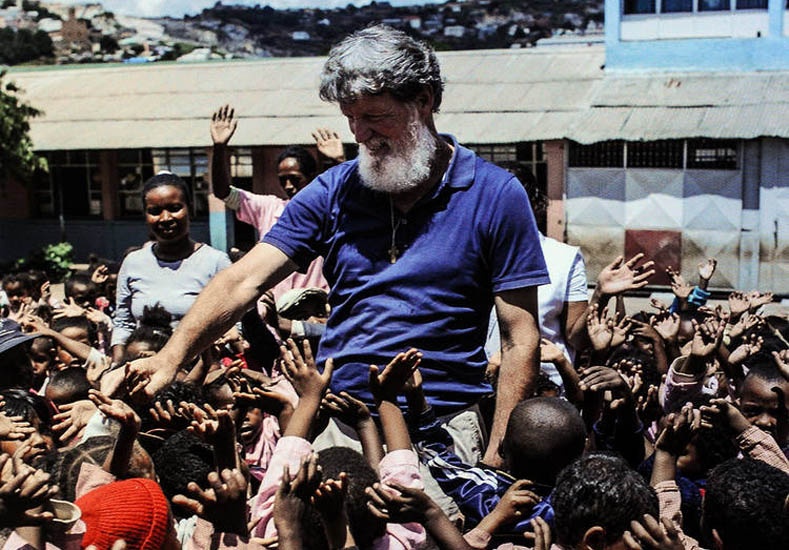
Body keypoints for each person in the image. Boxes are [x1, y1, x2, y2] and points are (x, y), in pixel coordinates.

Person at [130, 25, 549, 467]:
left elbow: (519, 338)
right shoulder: (334, 190)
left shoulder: (494, 193)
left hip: (443, 429)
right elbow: (242, 280)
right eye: (351, 118)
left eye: (374, 117)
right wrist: (170, 357)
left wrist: (498, 455)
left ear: (424, 101)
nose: (360, 133)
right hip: (340, 427)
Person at [210, 104, 331, 304]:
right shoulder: (269, 208)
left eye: (295, 178)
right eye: (283, 180)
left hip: (317, 310)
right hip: (274, 308)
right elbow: (223, 192)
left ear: (311, 177)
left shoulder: (327, 211)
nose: (289, 186)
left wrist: (339, 160)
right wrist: (219, 148)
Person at [111, 172, 231, 364]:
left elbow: (233, 324)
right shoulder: (133, 262)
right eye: (155, 211)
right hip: (142, 371)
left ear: (189, 209)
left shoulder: (216, 262)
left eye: (174, 208)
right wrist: (117, 365)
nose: (165, 218)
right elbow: (123, 324)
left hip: (198, 372)